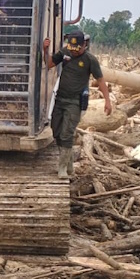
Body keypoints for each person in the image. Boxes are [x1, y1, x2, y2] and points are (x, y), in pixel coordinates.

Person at [42, 28, 112, 178]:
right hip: (60, 99)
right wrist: (45, 50)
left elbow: (100, 80)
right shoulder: (65, 52)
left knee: (67, 134)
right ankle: (69, 166)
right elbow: (49, 64)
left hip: (75, 102)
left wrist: (107, 101)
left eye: (77, 49)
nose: (74, 52)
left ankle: (62, 169)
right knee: (57, 131)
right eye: (72, 49)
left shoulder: (90, 60)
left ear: (84, 46)